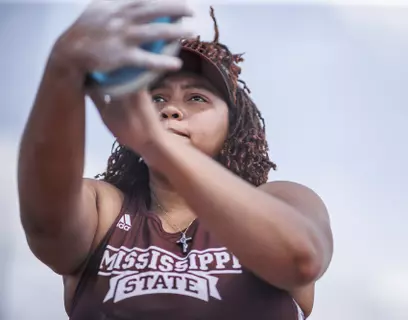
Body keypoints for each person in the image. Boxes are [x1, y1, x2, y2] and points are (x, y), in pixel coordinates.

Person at [17, 1, 334, 319]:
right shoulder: (105, 210)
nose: (170, 109)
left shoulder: (281, 199)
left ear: (233, 126)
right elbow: (46, 229)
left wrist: (159, 145)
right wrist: (62, 67)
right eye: (157, 98)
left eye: (197, 97)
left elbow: (301, 260)